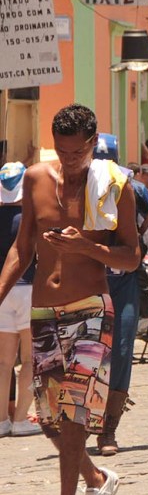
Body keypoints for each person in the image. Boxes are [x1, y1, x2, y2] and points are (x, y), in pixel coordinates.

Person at [0, 104, 139, 495]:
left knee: (76, 413)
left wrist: (87, 246)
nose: (71, 160)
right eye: (63, 152)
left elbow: (131, 257)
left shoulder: (117, 186)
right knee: (50, 421)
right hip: (45, 311)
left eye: (78, 153)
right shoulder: (37, 178)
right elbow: (23, 249)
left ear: (93, 145)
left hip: (91, 309)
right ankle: (96, 479)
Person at [92, 135, 148, 455]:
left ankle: (108, 430)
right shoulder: (73, 188)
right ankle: (80, 421)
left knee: (121, 351)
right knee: (85, 356)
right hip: (85, 284)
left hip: (124, 284)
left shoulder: (133, 189)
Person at [0, 162, 41, 437]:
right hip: (28, 289)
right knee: (29, 359)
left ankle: (1, 421)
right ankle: (21, 420)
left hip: (3, 291)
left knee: (3, 362)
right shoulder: (31, 214)